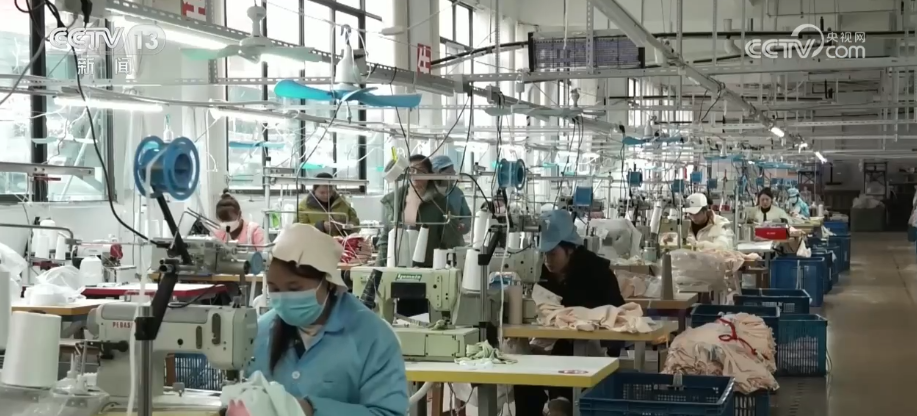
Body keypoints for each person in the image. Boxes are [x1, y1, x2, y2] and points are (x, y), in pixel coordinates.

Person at [247, 223, 408, 416]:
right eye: (274, 288)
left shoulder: (373, 338)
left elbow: (389, 413)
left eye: (295, 288)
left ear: (328, 282)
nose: (283, 297)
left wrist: (311, 409)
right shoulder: (259, 332)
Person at [513, 209, 625, 416]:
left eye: (552, 254)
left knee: (563, 352)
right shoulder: (541, 271)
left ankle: (560, 404)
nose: (547, 260)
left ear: (570, 249)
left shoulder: (598, 273)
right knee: (522, 373)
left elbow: (617, 315)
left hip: (592, 349)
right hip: (551, 345)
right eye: (544, 254)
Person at [376, 154, 463, 316]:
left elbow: (450, 239)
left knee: (423, 313)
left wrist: (454, 270)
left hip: (428, 270)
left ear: (430, 174)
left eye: (421, 171)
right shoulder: (394, 201)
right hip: (398, 268)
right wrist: (378, 271)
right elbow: (385, 238)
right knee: (399, 315)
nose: (416, 175)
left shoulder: (440, 204)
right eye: (412, 170)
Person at [430, 155, 472, 235]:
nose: (454, 174)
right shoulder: (427, 192)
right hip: (430, 237)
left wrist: (463, 225)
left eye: (453, 171)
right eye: (449, 172)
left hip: (453, 238)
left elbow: (466, 216)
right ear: (436, 173)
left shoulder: (457, 193)